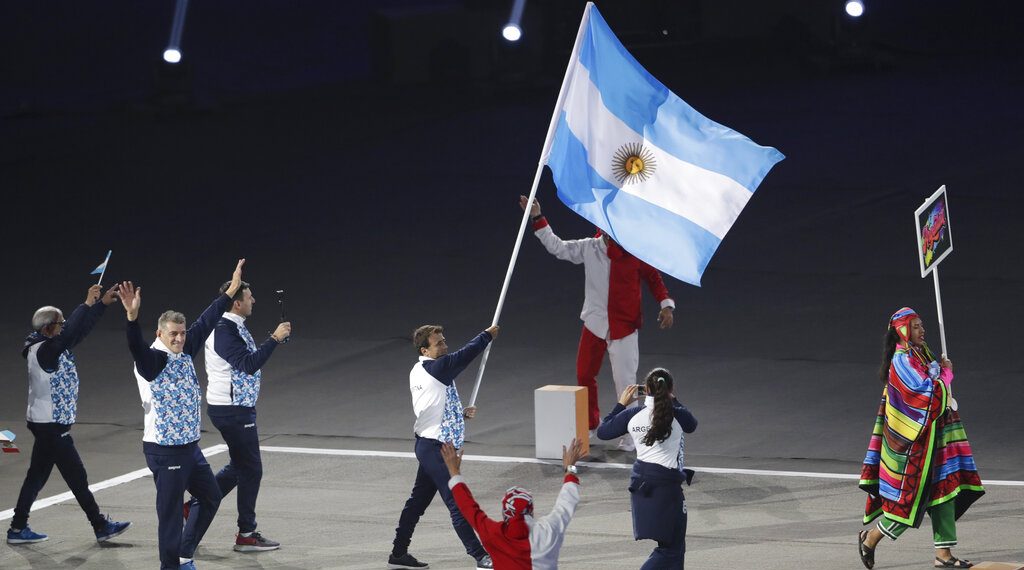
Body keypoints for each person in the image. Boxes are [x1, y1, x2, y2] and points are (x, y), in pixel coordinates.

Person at [117, 259, 245, 570]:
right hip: (164, 451)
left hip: (190, 448)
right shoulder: (152, 361)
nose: (179, 338)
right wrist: (132, 318)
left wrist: (230, 292)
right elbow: (135, 348)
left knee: (211, 496)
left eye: (182, 333)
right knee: (171, 515)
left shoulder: (185, 350)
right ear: (160, 334)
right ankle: (169, 566)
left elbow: (207, 318)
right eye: (173, 334)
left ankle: (184, 554)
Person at [520, 196, 675, 451]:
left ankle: (632, 432)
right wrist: (538, 217)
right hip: (594, 324)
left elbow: (654, 279)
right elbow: (558, 247)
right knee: (584, 375)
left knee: (625, 382)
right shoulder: (589, 247)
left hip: (624, 328)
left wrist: (666, 305)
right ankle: (592, 423)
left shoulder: (635, 252)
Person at [857, 308, 984, 569]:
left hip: (936, 440)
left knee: (945, 492)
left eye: (922, 325)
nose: (922, 330)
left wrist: (941, 373)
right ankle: (870, 537)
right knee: (910, 503)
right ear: (902, 331)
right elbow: (928, 397)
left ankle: (943, 555)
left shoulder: (920, 353)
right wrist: (946, 376)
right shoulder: (901, 361)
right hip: (914, 447)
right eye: (915, 326)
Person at [7, 285, 132, 545]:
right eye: (60, 323)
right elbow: (71, 331)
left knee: (36, 476)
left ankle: (18, 528)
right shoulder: (45, 350)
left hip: (46, 424)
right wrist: (86, 304)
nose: (64, 326)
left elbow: (79, 331)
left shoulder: (48, 345)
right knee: (77, 477)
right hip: (52, 426)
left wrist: (101, 305)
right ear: (47, 328)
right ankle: (100, 525)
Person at [184, 278, 292, 552]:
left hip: (236, 407)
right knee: (251, 469)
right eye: (249, 296)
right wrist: (275, 339)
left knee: (239, 465)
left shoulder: (231, 326)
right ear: (236, 302)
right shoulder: (223, 330)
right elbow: (247, 364)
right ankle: (246, 533)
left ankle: (191, 507)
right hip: (232, 411)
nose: (253, 300)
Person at [389, 324, 500, 570]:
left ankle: (398, 554)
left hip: (431, 444)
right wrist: (486, 336)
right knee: (457, 501)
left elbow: (433, 405)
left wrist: (459, 415)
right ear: (425, 350)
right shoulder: (434, 368)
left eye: (444, 340)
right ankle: (481, 557)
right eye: (439, 343)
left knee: (416, 503)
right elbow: (463, 356)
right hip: (436, 448)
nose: (445, 346)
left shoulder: (420, 370)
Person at [596, 368, 697, 569]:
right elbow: (692, 424)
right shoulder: (677, 414)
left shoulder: (632, 415)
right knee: (672, 548)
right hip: (667, 488)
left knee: (672, 547)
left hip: (642, 485)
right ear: (670, 389)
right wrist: (673, 399)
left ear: (646, 389)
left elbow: (603, 432)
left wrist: (620, 405)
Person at [440, 438, 585, 570]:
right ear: (531, 510)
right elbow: (567, 501)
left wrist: (454, 471)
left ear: (505, 513)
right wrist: (569, 468)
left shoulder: (493, 534)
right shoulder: (549, 530)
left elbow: (468, 506)